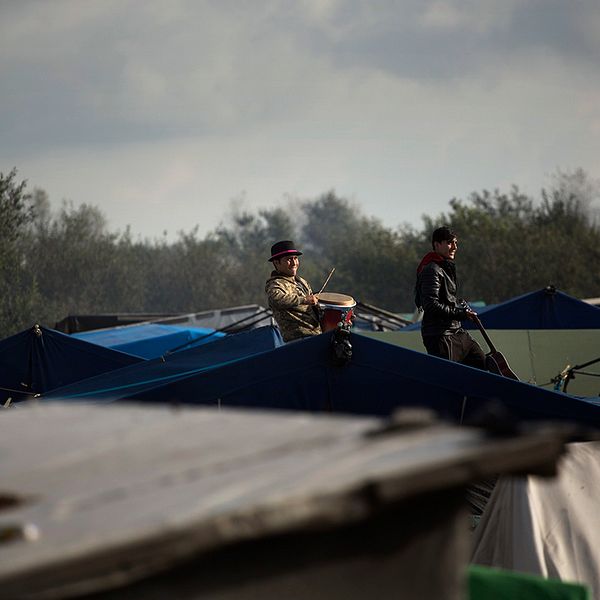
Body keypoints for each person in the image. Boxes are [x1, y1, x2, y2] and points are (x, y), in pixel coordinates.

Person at [415, 226, 486, 369]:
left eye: (455, 243)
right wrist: (462, 314)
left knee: (482, 364)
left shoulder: (445, 267)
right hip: (440, 336)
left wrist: (461, 313)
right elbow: (431, 305)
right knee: (449, 380)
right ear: (437, 245)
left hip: (456, 332)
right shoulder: (432, 270)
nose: (454, 247)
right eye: (449, 242)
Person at [265, 240, 322, 342]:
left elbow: (315, 310)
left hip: (316, 336)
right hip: (298, 340)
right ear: (276, 263)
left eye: (295, 258)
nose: (294, 263)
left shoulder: (302, 282)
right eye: (289, 259)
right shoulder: (276, 284)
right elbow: (275, 300)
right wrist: (304, 299)